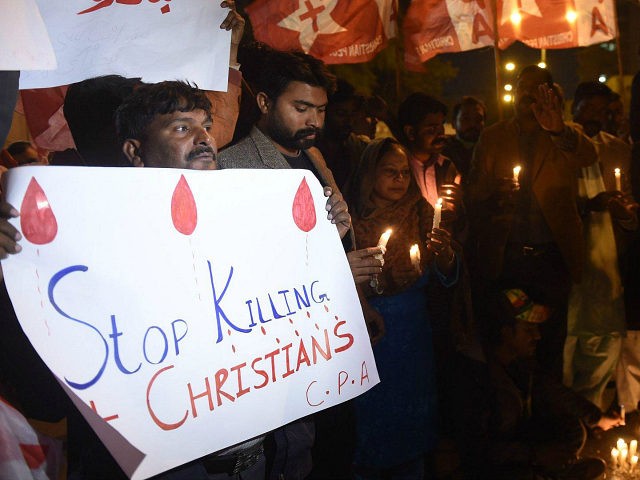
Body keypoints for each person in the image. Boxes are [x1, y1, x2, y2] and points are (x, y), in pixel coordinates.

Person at [218, 49, 381, 480]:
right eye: (302, 108)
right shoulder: (232, 166)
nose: (315, 121)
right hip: (272, 354)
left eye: (321, 110)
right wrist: (334, 272)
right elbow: (240, 274)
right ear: (265, 103)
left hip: (323, 342)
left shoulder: (314, 158)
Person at [467, 65, 598, 380]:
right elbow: (473, 193)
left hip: (551, 260)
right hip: (508, 258)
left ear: (550, 94)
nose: (527, 95)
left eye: (536, 88)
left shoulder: (562, 134)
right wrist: (493, 191)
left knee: (549, 339)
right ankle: (511, 410)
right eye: (522, 87)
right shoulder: (494, 136)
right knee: (509, 338)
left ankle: (549, 414)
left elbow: (588, 156)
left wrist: (558, 130)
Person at [346, 137, 457, 480]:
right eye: (388, 172)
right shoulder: (348, 222)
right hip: (373, 338)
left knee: (413, 430)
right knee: (373, 428)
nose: (398, 180)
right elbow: (338, 284)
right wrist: (377, 282)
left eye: (403, 173)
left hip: (414, 338)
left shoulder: (422, 211)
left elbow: (448, 276)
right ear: (369, 175)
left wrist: (446, 256)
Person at [454, 287, 618, 480]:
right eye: (529, 330)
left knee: (572, 429)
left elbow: (554, 391)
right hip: (498, 463)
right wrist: (536, 455)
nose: (538, 336)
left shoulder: (521, 364)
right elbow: (478, 449)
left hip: (521, 444)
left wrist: (596, 418)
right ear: (506, 333)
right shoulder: (478, 378)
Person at [564, 81, 638, 409]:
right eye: (588, 109)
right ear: (574, 107)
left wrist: (624, 216)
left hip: (611, 261)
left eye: (601, 111)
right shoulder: (559, 146)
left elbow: (631, 214)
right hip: (570, 261)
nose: (594, 117)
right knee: (569, 343)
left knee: (607, 338)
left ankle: (592, 411)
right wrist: (589, 206)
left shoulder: (618, 150)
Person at [442, 96, 486, 180]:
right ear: (454, 123)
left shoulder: (491, 150)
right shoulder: (442, 152)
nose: (473, 124)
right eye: (466, 119)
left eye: (478, 119)